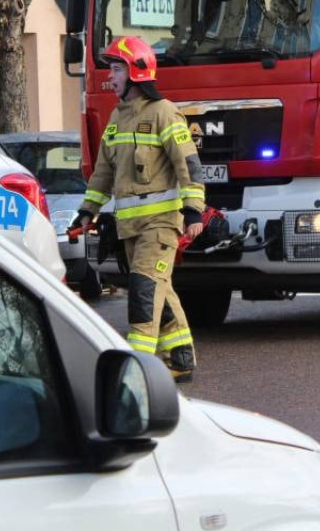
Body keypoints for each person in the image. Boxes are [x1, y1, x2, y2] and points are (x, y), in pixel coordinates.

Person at [72, 36, 205, 382]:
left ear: (136, 72)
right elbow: (103, 171)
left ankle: (139, 371)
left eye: (116, 69)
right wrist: (88, 211)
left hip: (161, 225)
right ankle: (180, 356)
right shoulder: (117, 118)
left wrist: (193, 210)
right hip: (131, 228)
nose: (110, 77)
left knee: (145, 292)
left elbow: (188, 165)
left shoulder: (164, 113)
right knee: (159, 288)